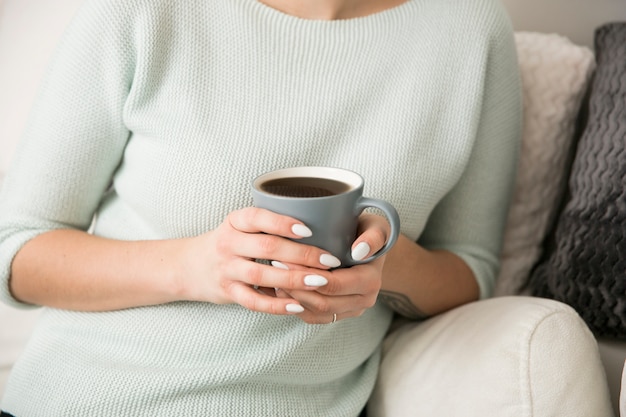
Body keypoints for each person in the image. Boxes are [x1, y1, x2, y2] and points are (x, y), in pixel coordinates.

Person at [0, 0, 521, 415]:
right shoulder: (144, 10)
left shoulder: (471, 27)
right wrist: (195, 268)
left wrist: (384, 265)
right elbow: (17, 248)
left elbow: (471, 268)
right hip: (87, 397)